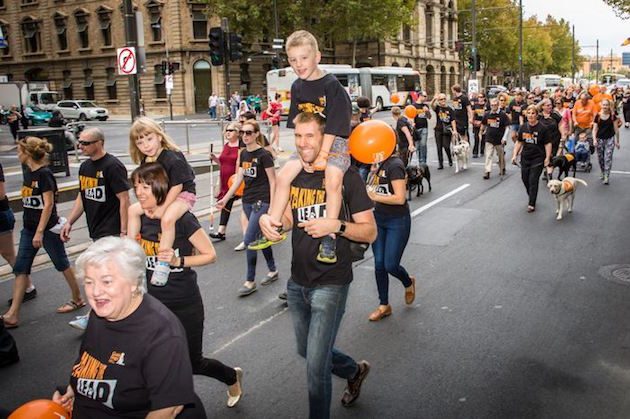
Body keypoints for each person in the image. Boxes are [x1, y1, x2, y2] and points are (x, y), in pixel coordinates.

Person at [259, 112, 377, 419]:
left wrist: (335, 226)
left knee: (315, 367)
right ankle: (354, 370)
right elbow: (287, 220)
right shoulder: (293, 174)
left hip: (331, 281)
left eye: (310, 136)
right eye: (298, 136)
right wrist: (271, 224)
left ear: (324, 139)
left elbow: (369, 231)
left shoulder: (346, 177)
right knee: (305, 350)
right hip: (297, 283)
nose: (302, 143)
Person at [52, 237, 206, 418]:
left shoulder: (162, 334)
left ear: (134, 282)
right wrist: (73, 389)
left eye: (107, 281)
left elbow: (168, 409)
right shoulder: (102, 312)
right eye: (89, 282)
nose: (95, 292)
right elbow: (89, 363)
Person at [132, 163, 244, 408]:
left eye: (145, 186)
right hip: (151, 304)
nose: (139, 192)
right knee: (150, 359)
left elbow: (210, 255)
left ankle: (231, 376)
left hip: (184, 302)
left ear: (160, 188)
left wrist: (177, 260)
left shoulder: (181, 218)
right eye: (136, 186)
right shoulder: (139, 218)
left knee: (194, 363)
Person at [264, 30, 352, 264]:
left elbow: (336, 123)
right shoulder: (297, 87)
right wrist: (302, 153)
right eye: (293, 60)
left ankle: (329, 237)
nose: (298, 64)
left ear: (317, 57)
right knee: (283, 177)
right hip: (309, 144)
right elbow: (296, 122)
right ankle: (273, 224)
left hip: (335, 143)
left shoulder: (331, 85)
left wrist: (323, 155)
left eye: (303, 58)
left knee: (333, 179)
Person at [2, 137, 84, 329]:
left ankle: (78, 298)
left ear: (28, 153)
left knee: (61, 263)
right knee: (21, 267)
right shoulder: (28, 173)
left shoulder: (44, 175)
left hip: (46, 229)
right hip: (29, 229)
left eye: (20, 151)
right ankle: (13, 314)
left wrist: (39, 232)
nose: (17, 154)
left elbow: (48, 205)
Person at [60, 127, 130, 330]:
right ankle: (125, 308)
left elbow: (123, 199)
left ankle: (93, 316)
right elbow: (83, 196)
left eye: (85, 143)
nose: (80, 146)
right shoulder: (84, 168)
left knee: (100, 273)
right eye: (80, 142)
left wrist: (124, 232)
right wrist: (69, 222)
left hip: (111, 230)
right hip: (95, 228)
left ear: (99, 143)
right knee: (114, 275)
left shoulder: (112, 166)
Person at [127, 117, 196, 287]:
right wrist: (151, 205)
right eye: (140, 143)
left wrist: (162, 208)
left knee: (167, 219)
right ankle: (129, 251)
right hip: (162, 196)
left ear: (159, 136)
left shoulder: (172, 157)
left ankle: (163, 263)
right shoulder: (147, 160)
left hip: (183, 195)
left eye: (149, 139)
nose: (146, 146)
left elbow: (177, 186)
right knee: (133, 211)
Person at [217, 120, 278, 296]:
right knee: (260, 237)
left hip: (262, 201)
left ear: (257, 134)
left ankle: (250, 281)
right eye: (243, 132)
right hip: (247, 201)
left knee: (250, 239)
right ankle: (273, 270)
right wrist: (225, 199)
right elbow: (238, 180)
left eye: (249, 132)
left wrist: (273, 207)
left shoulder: (264, 155)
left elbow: (273, 182)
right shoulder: (243, 154)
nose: (245, 135)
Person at [366, 151, 415, 322]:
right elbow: (371, 188)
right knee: (379, 263)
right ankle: (384, 305)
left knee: (391, 265)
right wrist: (372, 172)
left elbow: (400, 198)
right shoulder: (377, 164)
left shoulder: (395, 165)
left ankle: (408, 281)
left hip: (397, 221)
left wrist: (375, 196)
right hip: (378, 219)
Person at [511, 105, 552, 213]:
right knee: (525, 179)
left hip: (538, 158)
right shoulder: (523, 127)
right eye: (528, 113)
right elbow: (519, 142)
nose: (530, 115)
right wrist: (515, 155)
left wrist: (547, 158)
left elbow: (548, 144)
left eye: (533, 113)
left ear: (537, 115)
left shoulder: (543, 128)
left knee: (533, 180)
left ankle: (531, 203)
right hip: (525, 157)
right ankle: (532, 195)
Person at [209, 122, 242, 241]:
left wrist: (237, 178)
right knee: (226, 203)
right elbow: (222, 163)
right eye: (227, 130)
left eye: (231, 130)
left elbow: (241, 164)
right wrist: (215, 159)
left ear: (237, 133)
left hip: (235, 180)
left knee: (244, 204)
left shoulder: (241, 147)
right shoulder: (226, 145)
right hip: (224, 179)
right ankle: (221, 231)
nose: (228, 132)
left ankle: (256, 226)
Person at [592, 99, 620, 185]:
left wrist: (617, 141)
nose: (605, 107)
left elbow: (616, 129)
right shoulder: (598, 116)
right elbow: (594, 129)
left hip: (609, 139)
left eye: (606, 105)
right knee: (601, 158)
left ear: (609, 106)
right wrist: (594, 139)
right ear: (601, 105)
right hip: (600, 139)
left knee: (607, 158)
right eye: (603, 105)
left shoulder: (612, 116)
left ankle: (607, 176)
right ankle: (602, 171)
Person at [481, 97, 510, 179]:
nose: (493, 107)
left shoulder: (502, 114)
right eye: (492, 105)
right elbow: (483, 123)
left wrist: (504, 138)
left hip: (499, 139)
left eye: (495, 105)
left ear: (498, 105)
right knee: (488, 155)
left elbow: (507, 127)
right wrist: (481, 132)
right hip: (489, 137)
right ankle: (487, 171)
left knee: (500, 155)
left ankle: (502, 167)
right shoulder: (487, 114)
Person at [537, 98, 563, 179]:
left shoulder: (555, 114)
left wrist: (563, 136)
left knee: (551, 157)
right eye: (548, 105)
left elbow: (561, 125)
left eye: (551, 105)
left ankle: (549, 174)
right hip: (542, 141)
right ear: (542, 106)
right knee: (543, 156)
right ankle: (546, 170)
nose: (550, 107)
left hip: (554, 140)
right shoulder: (539, 116)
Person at [430, 93, 457, 169]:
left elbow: (453, 120)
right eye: (441, 99)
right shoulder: (438, 108)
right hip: (438, 130)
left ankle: (449, 158)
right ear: (438, 101)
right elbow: (431, 106)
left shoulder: (450, 109)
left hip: (447, 130)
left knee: (446, 146)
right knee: (439, 147)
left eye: (444, 99)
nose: (443, 100)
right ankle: (440, 163)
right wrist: (434, 99)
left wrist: (454, 130)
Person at [413, 91, 431, 164]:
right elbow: (410, 116)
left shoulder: (426, 106)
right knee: (417, 146)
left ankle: (423, 161)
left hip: (424, 127)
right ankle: (419, 160)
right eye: (425, 96)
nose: (426, 98)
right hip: (416, 128)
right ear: (420, 96)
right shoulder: (413, 106)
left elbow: (429, 117)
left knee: (423, 144)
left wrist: (427, 112)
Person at [471, 93, 486, 158]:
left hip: (484, 123)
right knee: (476, 138)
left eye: (481, 97)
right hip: (476, 123)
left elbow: (488, 115)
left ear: (484, 98)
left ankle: (482, 150)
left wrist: (482, 122)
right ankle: (475, 152)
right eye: (479, 97)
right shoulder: (475, 105)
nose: (480, 98)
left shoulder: (486, 105)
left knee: (483, 138)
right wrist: (472, 120)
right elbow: (472, 113)